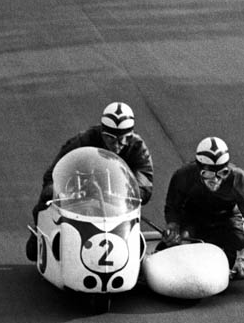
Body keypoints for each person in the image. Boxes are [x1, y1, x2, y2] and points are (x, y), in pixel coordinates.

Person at [25, 101, 154, 261]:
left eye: (124, 139)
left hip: (116, 202)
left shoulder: (138, 147)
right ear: (102, 132)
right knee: (46, 197)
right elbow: (52, 174)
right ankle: (39, 232)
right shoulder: (83, 140)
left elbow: (145, 185)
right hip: (80, 197)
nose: (117, 144)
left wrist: (124, 192)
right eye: (110, 138)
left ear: (131, 135)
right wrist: (65, 191)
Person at [160, 136, 244, 279]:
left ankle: (239, 240)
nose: (215, 180)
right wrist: (173, 227)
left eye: (222, 173)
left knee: (238, 257)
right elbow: (172, 207)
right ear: (199, 170)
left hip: (227, 220)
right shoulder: (183, 176)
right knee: (177, 249)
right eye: (208, 174)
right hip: (193, 219)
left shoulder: (240, 180)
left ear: (227, 170)